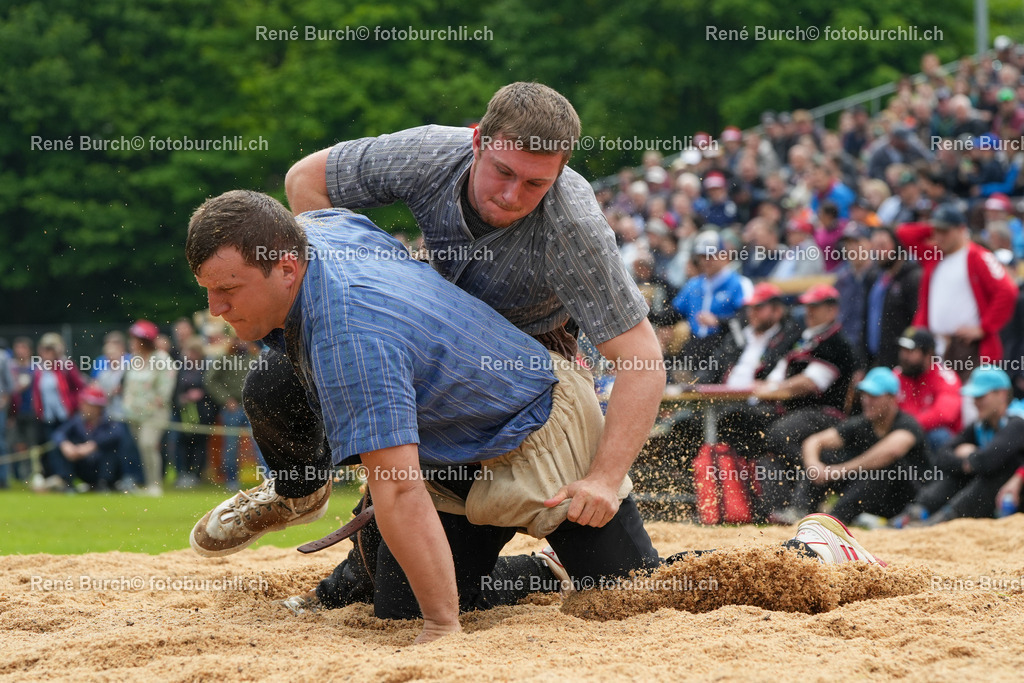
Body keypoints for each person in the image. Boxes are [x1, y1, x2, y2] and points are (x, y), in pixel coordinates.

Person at [185, 192, 883, 642]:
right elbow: (317, 184)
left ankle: (814, 546)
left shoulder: (351, 334)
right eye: (208, 292)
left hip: (539, 427)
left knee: (636, 595)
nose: (216, 309)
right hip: (455, 441)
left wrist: (443, 628)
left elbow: (395, 488)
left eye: (227, 290)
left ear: (284, 266)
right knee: (277, 384)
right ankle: (532, 566)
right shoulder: (317, 227)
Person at [890, 367, 1024, 526]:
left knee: (998, 469)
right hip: (994, 493)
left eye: (981, 396)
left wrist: (973, 458)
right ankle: (919, 510)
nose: (975, 402)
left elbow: (987, 461)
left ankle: (946, 519)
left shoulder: (1018, 421)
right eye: (974, 397)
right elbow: (942, 456)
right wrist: (969, 463)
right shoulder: (980, 425)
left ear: (1001, 394)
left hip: (1014, 494)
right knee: (958, 473)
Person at [896, 204, 1018, 379]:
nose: (939, 236)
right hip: (934, 346)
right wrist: (935, 226)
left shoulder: (977, 256)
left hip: (966, 348)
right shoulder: (934, 255)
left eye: (945, 231)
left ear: (961, 230)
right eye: (937, 231)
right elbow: (904, 233)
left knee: (969, 402)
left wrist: (984, 328)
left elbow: (1007, 291)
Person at [796, 367, 927, 524]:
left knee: (881, 469)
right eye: (865, 395)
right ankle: (800, 513)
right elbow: (814, 441)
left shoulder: (908, 424)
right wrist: (814, 466)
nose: (866, 401)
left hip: (906, 499)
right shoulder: (862, 422)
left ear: (892, 399)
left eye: (874, 396)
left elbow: (891, 452)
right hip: (870, 495)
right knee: (826, 457)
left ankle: (834, 520)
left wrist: (839, 471)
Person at [122, 320, 175, 496]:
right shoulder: (134, 359)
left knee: (148, 444)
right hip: (134, 414)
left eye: (136, 338)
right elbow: (129, 386)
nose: (132, 341)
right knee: (143, 448)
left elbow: (165, 387)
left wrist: (154, 402)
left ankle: (155, 484)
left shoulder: (161, 358)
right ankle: (149, 483)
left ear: (145, 340)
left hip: (155, 413)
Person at [892, 328, 962, 453]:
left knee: (939, 436)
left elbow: (945, 414)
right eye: (902, 350)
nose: (903, 356)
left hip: (931, 437)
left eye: (910, 351)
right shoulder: (896, 375)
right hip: (902, 434)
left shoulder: (945, 376)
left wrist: (907, 427)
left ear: (928, 354)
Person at [50, 386, 130, 492]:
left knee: (111, 450)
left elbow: (117, 434)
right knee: (60, 447)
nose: (84, 407)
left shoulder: (110, 421)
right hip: (84, 465)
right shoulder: (78, 420)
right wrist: (66, 445)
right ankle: (68, 482)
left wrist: (94, 445)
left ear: (98, 407)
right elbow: (59, 433)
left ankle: (104, 484)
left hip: (104, 467)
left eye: (88, 404)